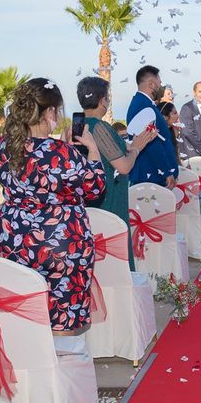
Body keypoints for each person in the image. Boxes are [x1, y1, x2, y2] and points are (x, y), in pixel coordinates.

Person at [0, 78, 106, 334]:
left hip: (12, 240)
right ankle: (60, 368)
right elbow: (95, 188)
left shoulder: (3, 146)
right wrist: (91, 150)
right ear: (48, 112)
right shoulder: (62, 153)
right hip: (61, 246)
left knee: (23, 313)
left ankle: (32, 367)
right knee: (63, 318)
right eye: (57, 110)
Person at [77, 77, 156, 270]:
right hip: (109, 197)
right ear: (103, 100)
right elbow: (123, 167)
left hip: (87, 198)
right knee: (114, 250)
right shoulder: (100, 127)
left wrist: (131, 146)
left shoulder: (79, 125)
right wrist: (137, 148)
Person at [126, 65, 179, 189]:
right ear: (151, 84)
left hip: (152, 176)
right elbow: (151, 142)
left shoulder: (143, 104)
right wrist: (166, 172)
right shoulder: (143, 106)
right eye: (159, 84)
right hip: (150, 177)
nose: (160, 87)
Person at [179, 81, 201, 160]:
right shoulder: (187, 108)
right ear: (194, 92)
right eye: (200, 92)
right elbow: (188, 132)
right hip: (191, 155)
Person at [157, 101, 182, 165]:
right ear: (164, 117)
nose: (178, 115)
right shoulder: (158, 136)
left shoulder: (171, 132)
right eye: (175, 113)